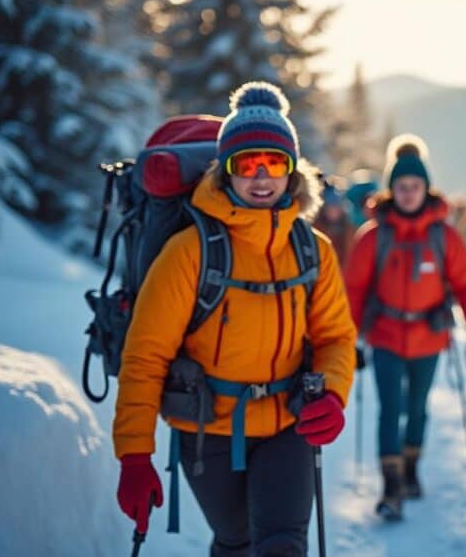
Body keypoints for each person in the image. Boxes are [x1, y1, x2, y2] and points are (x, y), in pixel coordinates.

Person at [113, 82, 357, 556]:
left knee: (282, 545)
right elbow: (145, 355)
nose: (261, 176)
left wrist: (331, 392)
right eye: (247, 164)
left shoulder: (313, 250)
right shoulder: (189, 253)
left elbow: (336, 337)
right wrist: (134, 454)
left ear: (293, 171)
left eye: (275, 162)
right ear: (226, 171)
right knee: (235, 541)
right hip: (208, 431)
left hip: (290, 422)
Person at [344, 133, 466, 521]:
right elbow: (353, 290)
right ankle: (391, 486)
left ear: (426, 188)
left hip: (429, 336)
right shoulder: (374, 237)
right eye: (402, 187)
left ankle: (410, 469)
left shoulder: (443, 236)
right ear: (392, 190)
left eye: (415, 187)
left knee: (417, 407)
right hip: (386, 335)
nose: (408, 194)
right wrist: (351, 340)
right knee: (389, 407)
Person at [313, 178, 355, 267]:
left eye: (336, 206)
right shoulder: (316, 228)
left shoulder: (349, 228)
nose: (333, 210)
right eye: (330, 206)